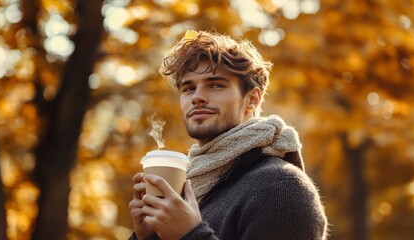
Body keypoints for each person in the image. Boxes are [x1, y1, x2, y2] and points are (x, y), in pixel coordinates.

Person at [129, 30, 328, 240]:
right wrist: (146, 237)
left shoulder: (280, 188)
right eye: (188, 88)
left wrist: (189, 234)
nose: (197, 97)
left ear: (252, 99)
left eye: (215, 85)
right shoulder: (191, 187)